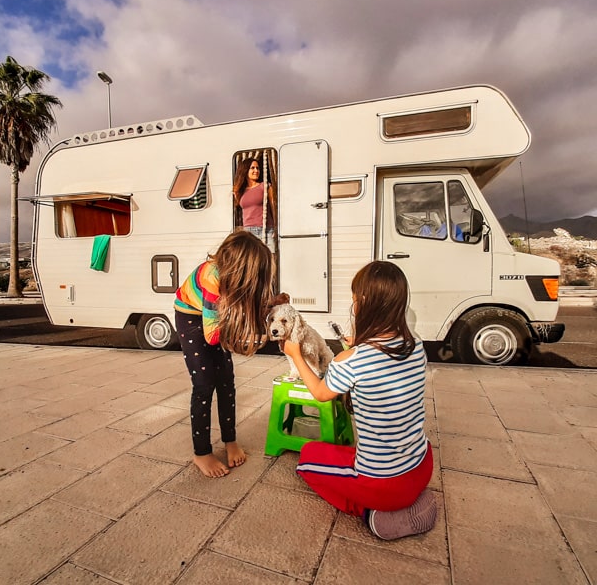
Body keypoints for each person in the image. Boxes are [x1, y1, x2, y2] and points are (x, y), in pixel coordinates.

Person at [283, 261, 437, 540]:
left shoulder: (352, 361)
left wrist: (295, 355)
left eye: (354, 299)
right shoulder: (416, 346)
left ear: (362, 305)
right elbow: (382, 360)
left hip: (381, 484)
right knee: (350, 455)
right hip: (423, 464)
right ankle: (409, 498)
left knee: (307, 459)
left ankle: (374, 515)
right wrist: (358, 346)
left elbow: (320, 393)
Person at [174, 230, 275, 478]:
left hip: (215, 317)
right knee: (204, 385)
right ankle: (201, 453)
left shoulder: (227, 281)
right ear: (239, 270)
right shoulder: (212, 279)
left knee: (227, 383)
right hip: (190, 317)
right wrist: (244, 330)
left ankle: (230, 441)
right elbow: (212, 336)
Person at [233, 156, 276, 252]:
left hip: (265, 229)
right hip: (248, 231)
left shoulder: (265, 186)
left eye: (257, 168)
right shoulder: (240, 191)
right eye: (252, 168)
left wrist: (276, 227)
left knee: (269, 259)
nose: (256, 171)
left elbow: (273, 208)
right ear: (245, 170)